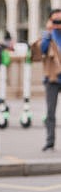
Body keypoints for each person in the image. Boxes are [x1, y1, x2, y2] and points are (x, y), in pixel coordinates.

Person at [40, 9, 61, 151]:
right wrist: (48, 32)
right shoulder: (48, 35)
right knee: (50, 112)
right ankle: (50, 141)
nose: (58, 24)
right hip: (52, 78)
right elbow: (42, 49)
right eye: (55, 21)